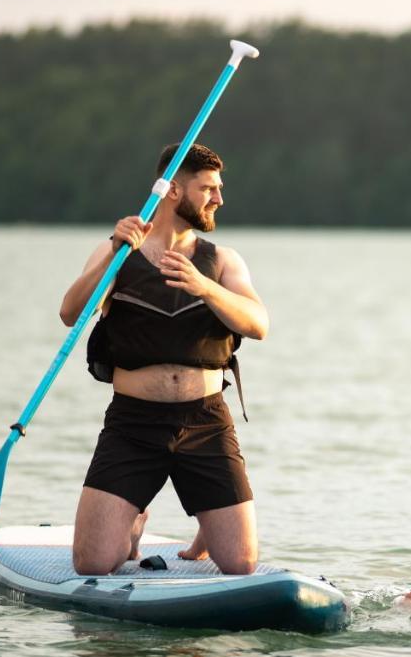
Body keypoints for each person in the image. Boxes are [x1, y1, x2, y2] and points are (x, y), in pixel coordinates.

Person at [59, 142, 268, 576]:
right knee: (92, 563)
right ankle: (133, 523)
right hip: (133, 426)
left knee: (242, 564)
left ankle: (210, 517)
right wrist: (114, 256)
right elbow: (70, 313)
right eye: (208, 188)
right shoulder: (117, 252)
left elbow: (257, 323)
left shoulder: (223, 261)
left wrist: (204, 287)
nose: (219, 199)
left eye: (218, 188)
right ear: (173, 189)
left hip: (206, 423)